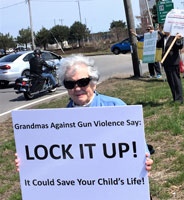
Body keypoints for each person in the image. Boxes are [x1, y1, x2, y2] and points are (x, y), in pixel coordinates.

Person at [16, 54, 153, 173]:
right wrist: (28, 163)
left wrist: (144, 160)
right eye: (70, 84)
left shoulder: (116, 107)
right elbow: (53, 157)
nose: (77, 88)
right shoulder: (60, 121)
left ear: (93, 82)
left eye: (83, 82)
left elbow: (138, 146)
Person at [161, 32, 184, 104]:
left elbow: (179, 46)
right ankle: (175, 98)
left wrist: (179, 39)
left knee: (176, 80)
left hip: (173, 62)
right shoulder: (163, 38)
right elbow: (157, 45)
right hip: (166, 63)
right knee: (171, 81)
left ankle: (179, 99)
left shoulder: (174, 37)